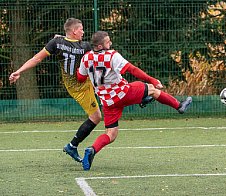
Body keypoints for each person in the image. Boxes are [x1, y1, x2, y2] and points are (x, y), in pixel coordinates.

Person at [77, 31, 192, 171]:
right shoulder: (112, 55)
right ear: (100, 45)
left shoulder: (86, 58)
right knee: (152, 89)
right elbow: (132, 69)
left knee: (111, 134)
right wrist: (152, 79)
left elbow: (81, 77)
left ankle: (92, 149)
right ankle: (179, 106)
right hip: (122, 94)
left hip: (107, 101)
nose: (111, 43)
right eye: (108, 42)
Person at [9, 18, 102, 163]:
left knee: (105, 94)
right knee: (96, 117)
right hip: (79, 88)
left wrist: (19, 71)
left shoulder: (58, 43)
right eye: (81, 29)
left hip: (84, 82)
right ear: (74, 31)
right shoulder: (84, 47)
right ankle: (72, 146)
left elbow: (36, 58)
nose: (83, 32)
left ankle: (139, 95)